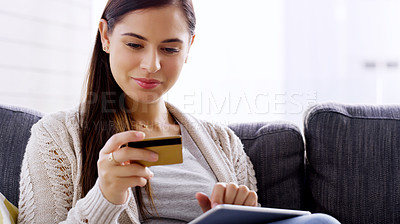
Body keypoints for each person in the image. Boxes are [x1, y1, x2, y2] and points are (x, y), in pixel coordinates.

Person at [17, 0, 340, 223]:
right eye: (134, 44)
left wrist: (239, 214)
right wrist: (105, 196)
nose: (152, 65)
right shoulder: (55, 137)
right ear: (105, 36)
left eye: (170, 48)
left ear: (189, 49)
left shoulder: (223, 143)